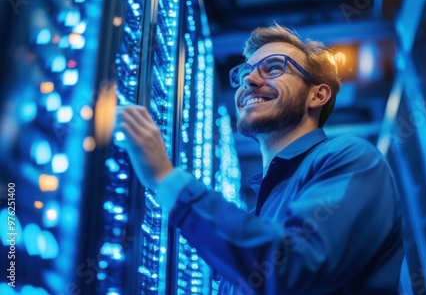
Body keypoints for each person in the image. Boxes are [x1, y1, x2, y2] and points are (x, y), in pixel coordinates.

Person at [115, 24, 403, 294]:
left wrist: (165, 179)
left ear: (317, 95)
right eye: (245, 74)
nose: (249, 81)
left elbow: (290, 269)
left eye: (274, 68)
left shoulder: (350, 157)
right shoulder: (260, 213)